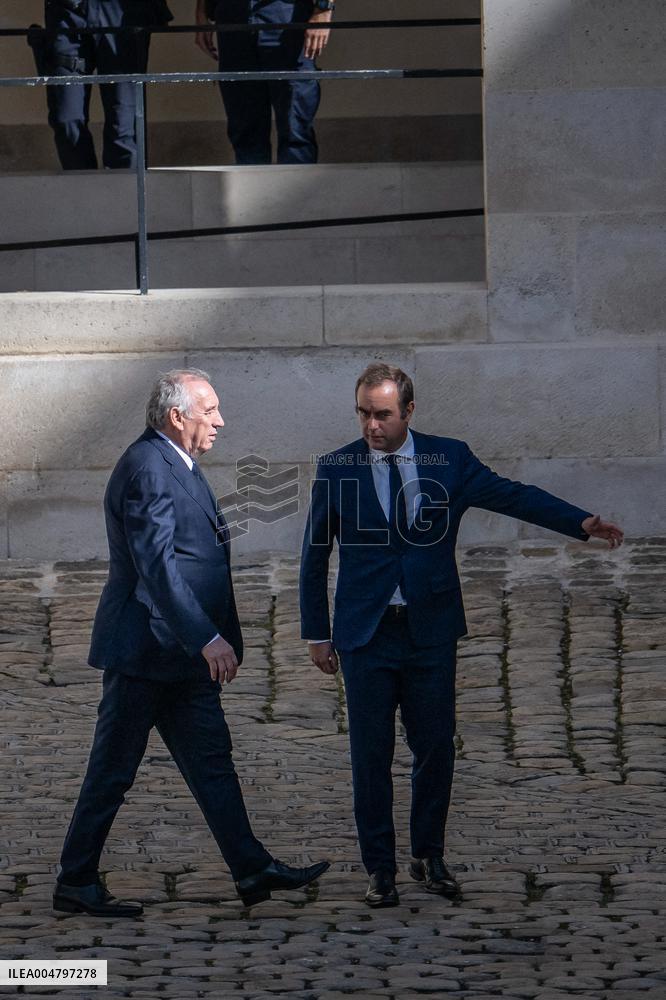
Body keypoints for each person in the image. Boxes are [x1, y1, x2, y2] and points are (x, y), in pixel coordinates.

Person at [299, 362, 624, 908]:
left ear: (408, 411)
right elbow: (314, 556)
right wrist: (316, 633)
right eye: (362, 413)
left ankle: (429, 854)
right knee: (369, 755)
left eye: (382, 414)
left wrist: (579, 522)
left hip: (430, 631)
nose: (371, 425)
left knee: (435, 748)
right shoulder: (337, 468)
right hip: (366, 635)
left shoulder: (448, 458)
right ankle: (379, 869)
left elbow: (511, 495)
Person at [54, 369, 329, 917]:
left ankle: (251, 868)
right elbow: (156, 567)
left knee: (212, 762)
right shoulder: (148, 469)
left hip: (177, 659)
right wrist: (206, 637)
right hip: (146, 653)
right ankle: (75, 881)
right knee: (112, 770)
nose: (221, 421)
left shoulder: (175, 463)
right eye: (211, 411)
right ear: (177, 417)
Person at [195, 0, 334, 164]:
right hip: (233, 17)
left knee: (295, 128)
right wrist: (202, 13)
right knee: (245, 130)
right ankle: (251, 189)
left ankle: (296, 188)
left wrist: (323, 9)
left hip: (286, 15)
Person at [39, 0, 173, 170]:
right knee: (66, 117)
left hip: (122, 11)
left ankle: (123, 192)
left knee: (123, 122)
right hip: (67, 11)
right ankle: (82, 189)